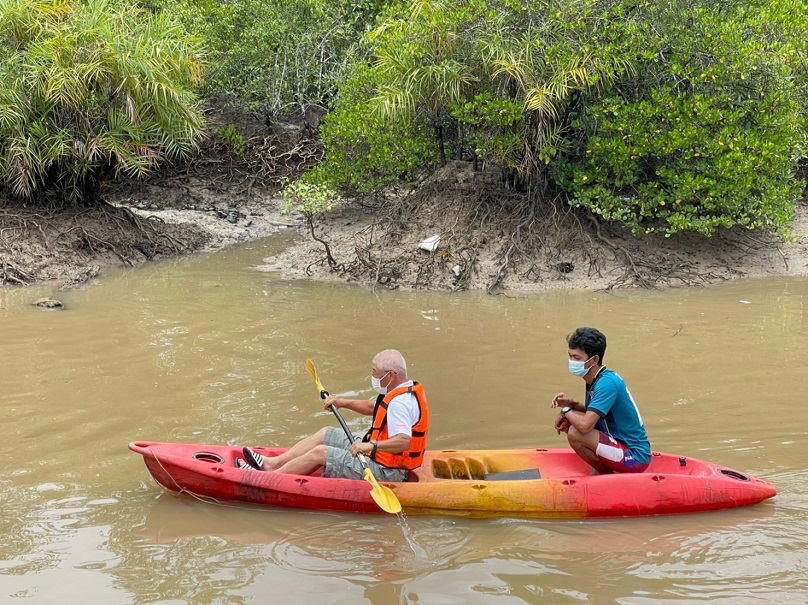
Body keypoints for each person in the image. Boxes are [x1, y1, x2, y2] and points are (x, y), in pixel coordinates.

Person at [240, 349, 429, 482]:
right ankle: (272, 463)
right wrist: (341, 402)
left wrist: (369, 445)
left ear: (391, 375)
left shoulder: (401, 402)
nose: (373, 376)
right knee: (325, 434)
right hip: (376, 455)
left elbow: (405, 441)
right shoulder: (400, 388)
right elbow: (374, 408)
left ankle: (267, 479)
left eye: (375, 372)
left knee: (320, 452)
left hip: (388, 471)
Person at [550, 327, 651, 474]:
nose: (571, 361)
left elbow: (585, 426)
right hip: (621, 448)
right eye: (570, 356)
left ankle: (605, 476)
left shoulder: (606, 384)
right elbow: (599, 413)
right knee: (573, 423)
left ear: (594, 360)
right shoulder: (596, 378)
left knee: (575, 432)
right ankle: (603, 471)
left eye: (577, 358)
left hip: (635, 458)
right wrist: (572, 404)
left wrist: (566, 411)